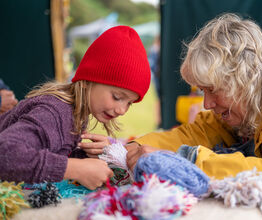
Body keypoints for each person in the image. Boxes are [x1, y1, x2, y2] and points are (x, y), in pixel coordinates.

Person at [122, 14, 262, 219]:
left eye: (212, 89)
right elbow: (198, 133)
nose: (206, 103)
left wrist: (188, 161)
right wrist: (128, 150)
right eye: (203, 91)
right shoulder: (254, 95)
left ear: (245, 78)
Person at [0, 25, 151, 190]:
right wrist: (75, 168)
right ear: (88, 81)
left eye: (129, 103)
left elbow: (52, 149)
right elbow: (5, 155)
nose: (122, 110)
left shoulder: (75, 113)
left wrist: (90, 156)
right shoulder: (54, 112)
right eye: (117, 97)